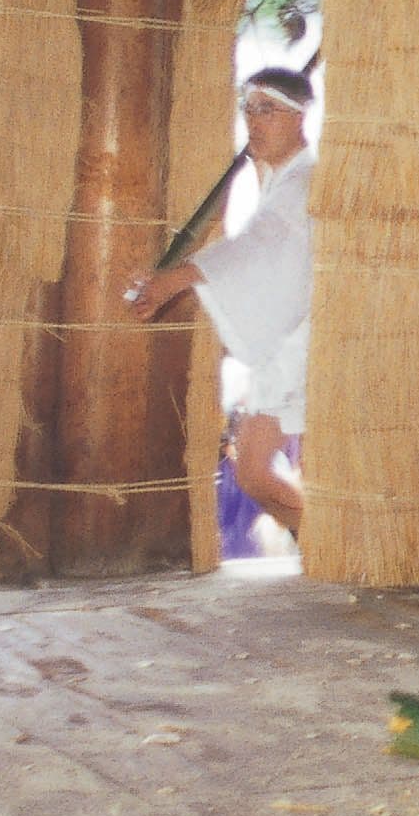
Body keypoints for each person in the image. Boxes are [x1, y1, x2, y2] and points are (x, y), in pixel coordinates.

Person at [130, 67, 314, 550]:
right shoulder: (279, 179)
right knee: (253, 471)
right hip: (285, 349)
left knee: (306, 471)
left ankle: (334, 544)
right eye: (249, 109)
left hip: (311, 342)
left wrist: (174, 279)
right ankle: (327, 540)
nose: (254, 120)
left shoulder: (307, 182)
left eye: (267, 109)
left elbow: (255, 248)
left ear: (299, 116)